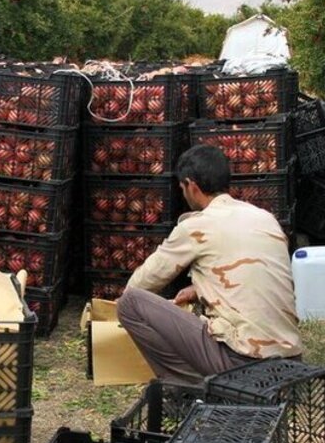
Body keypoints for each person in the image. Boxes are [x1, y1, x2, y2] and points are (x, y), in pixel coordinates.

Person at [116, 144, 302, 385]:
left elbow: (142, 284)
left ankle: (188, 387)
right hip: (291, 359)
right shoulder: (264, 218)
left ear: (191, 186)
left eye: (182, 188)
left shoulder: (196, 226)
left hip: (243, 363)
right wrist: (199, 289)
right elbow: (254, 274)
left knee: (130, 304)